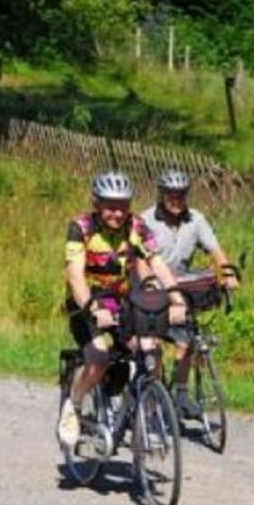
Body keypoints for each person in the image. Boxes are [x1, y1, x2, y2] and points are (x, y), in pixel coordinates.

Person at [58, 171, 186, 448]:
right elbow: (75, 275)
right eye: (110, 206)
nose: (117, 213)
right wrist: (91, 307)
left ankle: (147, 417)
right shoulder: (80, 227)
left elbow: (156, 262)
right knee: (99, 358)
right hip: (85, 303)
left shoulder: (136, 226)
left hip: (121, 301)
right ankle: (75, 404)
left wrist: (176, 297)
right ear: (97, 204)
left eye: (123, 206)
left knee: (150, 348)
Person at [141, 168, 240, 417]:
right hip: (152, 285)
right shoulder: (145, 221)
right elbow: (141, 261)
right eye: (171, 195)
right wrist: (151, 285)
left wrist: (227, 273)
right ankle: (154, 396)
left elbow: (214, 249)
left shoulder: (195, 219)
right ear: (161, 195)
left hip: (182, 287)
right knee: (153, 344)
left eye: (181, 195)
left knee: (188, 339)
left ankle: (181, 392)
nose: (176, 200)